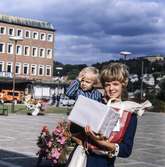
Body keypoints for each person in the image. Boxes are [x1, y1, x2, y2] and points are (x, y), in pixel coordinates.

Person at [67, 63, 138, 167]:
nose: (111, 88)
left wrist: (98, 142)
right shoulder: (96, 104)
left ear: (123, 84)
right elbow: (73, 132)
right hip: (80, 160)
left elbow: (126, 150)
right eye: (107, 84)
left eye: (115, 84)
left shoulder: (129, 114)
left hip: (104, 163)